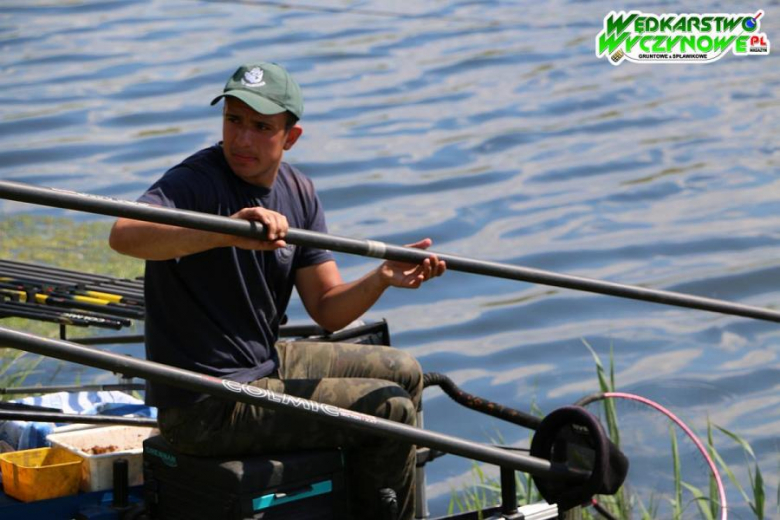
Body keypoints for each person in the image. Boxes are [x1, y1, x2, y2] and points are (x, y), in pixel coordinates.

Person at [108, 61, 445, 519]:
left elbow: (327, 310)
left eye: (261, 127)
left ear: (291, 137)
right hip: (205, 403)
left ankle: (376, 506)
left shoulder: (298, 190)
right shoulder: (194, 181)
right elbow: (124, 235)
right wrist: (224, 231)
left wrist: (382, 277)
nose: (242, 139)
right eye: (234, 121)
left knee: (403, 370)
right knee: (390, 410)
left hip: (262, 361)